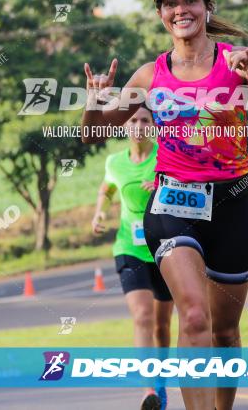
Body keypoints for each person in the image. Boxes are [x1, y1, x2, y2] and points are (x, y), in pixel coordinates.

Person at [82, 0, 248, 410]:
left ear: (207, 7)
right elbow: (92, 134)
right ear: (162, 15)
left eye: (189, 0)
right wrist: (93, 102)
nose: (180, 9)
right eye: (170, 3)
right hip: (173, 203)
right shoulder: (150, 75)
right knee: (195, 316)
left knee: (225, 332)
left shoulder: (237, 62)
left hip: (232, 204)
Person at [92, 106, 174, 410]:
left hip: (164, 247)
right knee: (142, 316)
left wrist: (163, 187)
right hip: (128, 247)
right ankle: (148, 390)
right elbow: (107, 188)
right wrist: (100, 209)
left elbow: (188, 189)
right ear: (124, 126)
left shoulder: (165, 156)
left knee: (162, 325)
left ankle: (161, 380)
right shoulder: (114, 161)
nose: (138, 125)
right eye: (133, 120)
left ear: (153, 126)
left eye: (144, 120)